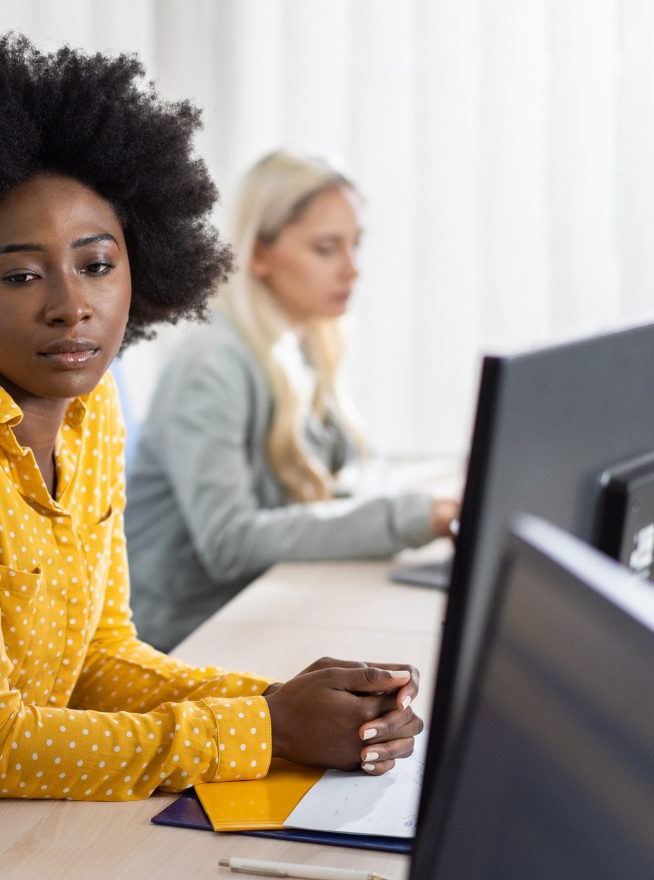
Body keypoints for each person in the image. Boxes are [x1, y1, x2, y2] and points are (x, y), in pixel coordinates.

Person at [0, 36, 425, 879]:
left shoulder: (90, 406)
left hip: (3, 811)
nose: (72, 306)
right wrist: (266, 731)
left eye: (97, 265)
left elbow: (99, 659)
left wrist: (282, 704)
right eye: (22, 276)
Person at [126, 150, 459, 652]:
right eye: (327, 249)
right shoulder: (212, 366)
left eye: (356, 245)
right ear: (258, 255)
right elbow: (229, 543)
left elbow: (359, 469)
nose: (353, 270)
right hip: (190, 640)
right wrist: (411, 518)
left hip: (264, 608)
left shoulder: (302, 345)